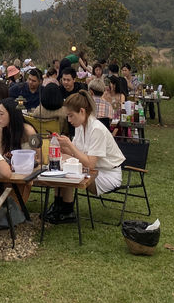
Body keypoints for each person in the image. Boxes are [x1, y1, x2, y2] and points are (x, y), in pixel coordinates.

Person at [45, 89, 125, 224]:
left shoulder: (97, 129)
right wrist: (60, 144)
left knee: (69, 170)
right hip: (93, 171)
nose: (69, 120)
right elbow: (74, 153)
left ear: (82, 111)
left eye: (71, 116)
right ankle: (59, 206)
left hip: (107, 174)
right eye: (67, 117)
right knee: (62, 165)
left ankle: (67, 210)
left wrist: (69, 146)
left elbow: (89, 164)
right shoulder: (80, 126)